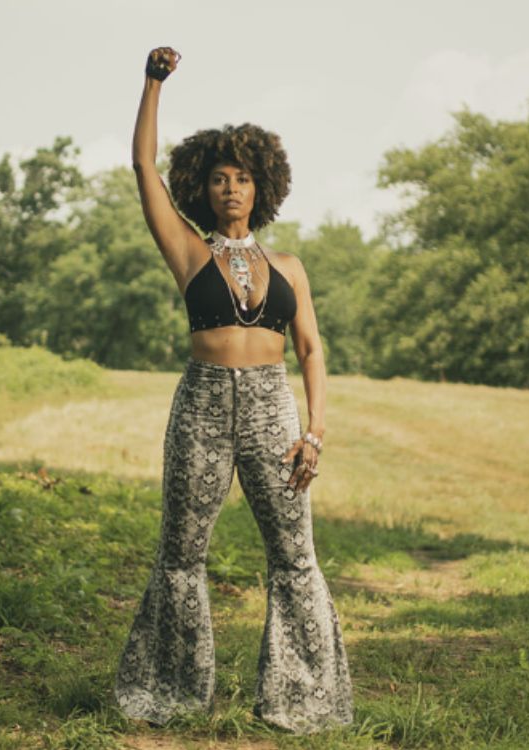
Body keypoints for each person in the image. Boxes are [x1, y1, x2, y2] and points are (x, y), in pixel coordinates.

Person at [113, 46, 354, 735]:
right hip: (202, 407)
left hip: (274, 411)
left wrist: (313, 432)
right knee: (181, 554)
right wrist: (152, 83)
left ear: (262, 187)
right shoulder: (189, 252)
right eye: (219, 179)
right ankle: (172, 692)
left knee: (294, 555)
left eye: (242, 178)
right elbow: (142, 168)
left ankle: (301, 699)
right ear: (204, 189)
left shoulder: (289, 266)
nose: (230, 189)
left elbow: (311, 348)